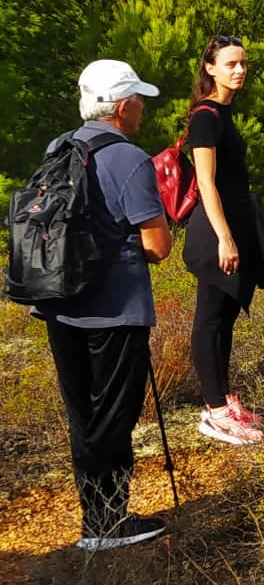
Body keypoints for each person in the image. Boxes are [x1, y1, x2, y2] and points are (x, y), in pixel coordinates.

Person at [42, 59, 172, 549]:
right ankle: (108, 523)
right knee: (114, 415)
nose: (141, 106)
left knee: (84, 415)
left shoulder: (59, 148)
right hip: (116, 310)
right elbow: (157, 245)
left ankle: (92, 519)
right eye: (137, 99)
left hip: (60, 302)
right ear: (121, 107)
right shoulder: (129, 159)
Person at [183, 35, 264, 445]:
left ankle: (224, 401)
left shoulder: (223, 113)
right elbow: (205, 181)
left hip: (233, 226)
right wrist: (225, 237)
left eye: (243, 63)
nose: (239, 70)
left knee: (226, 318)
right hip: (216, 230)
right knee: (211, 318)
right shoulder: (206, 117)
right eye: (230, 63)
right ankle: (215, 412)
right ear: (210, 68)